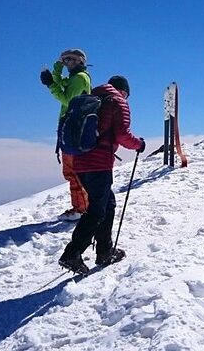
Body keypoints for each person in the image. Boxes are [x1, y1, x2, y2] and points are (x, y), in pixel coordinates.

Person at [58, 76, 145, 275]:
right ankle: (73, 253)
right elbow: (123, 135)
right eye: (127, 95)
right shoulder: (117, 101)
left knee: (108, 204)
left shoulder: (91, 98)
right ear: (124, 91)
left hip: (80, 161)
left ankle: (105, 250)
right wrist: (139, 144)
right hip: (99, 164)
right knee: (97, 210)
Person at [40, 48, 91, 220]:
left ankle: (80, 209)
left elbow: (67, 100)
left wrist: (50, 85)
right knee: (72, 170)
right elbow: (60, 81)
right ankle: (82, 206)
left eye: (70, 59)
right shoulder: (75, 78)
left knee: (72, 171)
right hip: (72, 128)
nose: (67, 62)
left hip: (73, 130)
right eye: (65, 59)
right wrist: (56, 68)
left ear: (80, 61)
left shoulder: (79, 78)